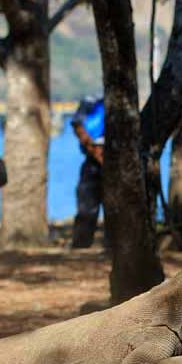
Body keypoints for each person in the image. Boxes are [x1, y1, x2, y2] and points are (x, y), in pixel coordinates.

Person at [70, 96, 105, 249]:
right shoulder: (92, 102)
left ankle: (113, 245)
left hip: (117, 163)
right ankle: (81, 245)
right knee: (86, 207)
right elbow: (77, 124)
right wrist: (92, 148)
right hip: (92, 164)